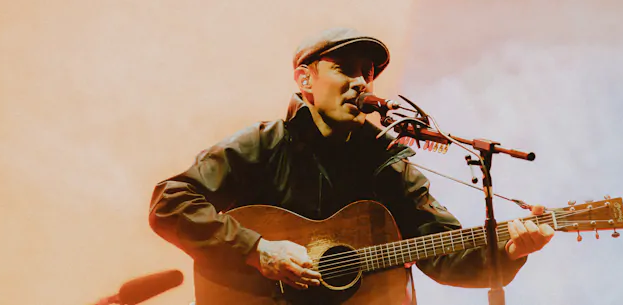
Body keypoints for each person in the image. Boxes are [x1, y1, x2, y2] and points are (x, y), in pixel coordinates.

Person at [148, 27, 554, 302]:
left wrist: (512, 251)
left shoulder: (387, 164)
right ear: (305, 80)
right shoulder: (264, 144)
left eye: (368, 74)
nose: (361, 83)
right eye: (345, 70)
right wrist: (256, 249)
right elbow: (169, 202)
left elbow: (444, 253)